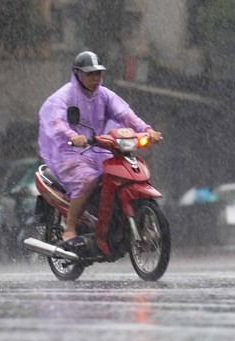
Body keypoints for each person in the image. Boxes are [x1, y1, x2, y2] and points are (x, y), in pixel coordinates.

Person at [38, 51, 162, 247]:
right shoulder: (64, 96)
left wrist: (147, 130)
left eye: (98, 74)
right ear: (78, 74)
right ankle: (69, 229)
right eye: (90, 74)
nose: (95, 79)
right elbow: (56, 122)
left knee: (122, 175)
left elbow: (126, 115)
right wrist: (73, 136)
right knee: (88, 179)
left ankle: (111, 222)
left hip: (98, 149)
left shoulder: (104, 95)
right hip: (68, 152)